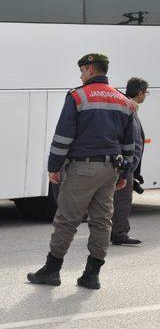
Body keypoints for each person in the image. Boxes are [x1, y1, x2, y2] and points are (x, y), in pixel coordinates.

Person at [27, 53, 136, 290]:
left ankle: (51, 270)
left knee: (67, 219)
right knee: (102, 221)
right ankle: (92, 274)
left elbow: (64, 136)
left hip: (82, 168)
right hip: (111, 169)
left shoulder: (78, 96)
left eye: (82, 70)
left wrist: (53, 167)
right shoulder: (124, 101)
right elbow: (130, 144)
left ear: (89, 70)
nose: (80, 74)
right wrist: (125, 175)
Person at [111, 77, 148, 246]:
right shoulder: (130, 108)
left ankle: (109, 232)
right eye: (145, 92)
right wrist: (130, 169)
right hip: (124, 165)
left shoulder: (121, 105)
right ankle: (120, 233)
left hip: (117, 163)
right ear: (140, 93)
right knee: (122, 201)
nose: (145, 95)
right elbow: (134, 143)